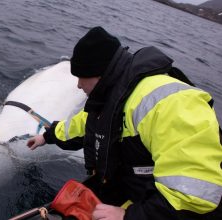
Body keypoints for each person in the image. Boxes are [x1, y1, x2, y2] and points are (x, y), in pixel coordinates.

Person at [27, 26, 222, 219]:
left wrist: (127, 216)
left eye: (81, 77)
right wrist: (46, 136)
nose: (78, 85)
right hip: (137, 190)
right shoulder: (115, 94)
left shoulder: (172, 104)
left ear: (99, 73)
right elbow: (85, 125)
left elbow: (195, 197)